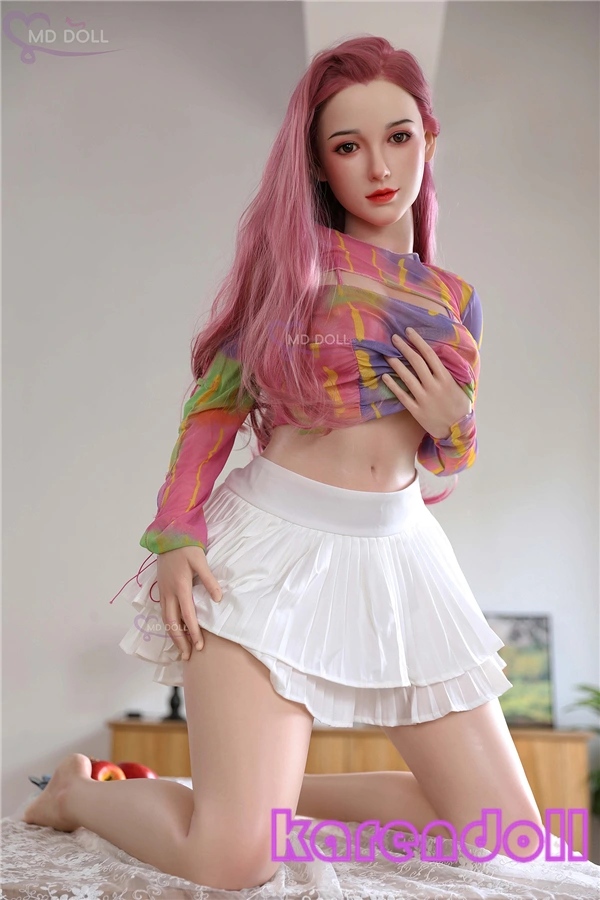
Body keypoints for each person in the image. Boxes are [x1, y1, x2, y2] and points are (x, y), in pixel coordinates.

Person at [22, 35, 544, 892]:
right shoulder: (292, 277)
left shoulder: (456, 300)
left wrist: (458, 422)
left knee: (509, 839)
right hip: (270, 552)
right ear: (319, 165)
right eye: (348, 146)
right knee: (232, 862)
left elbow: (446, 452)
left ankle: (243, 796)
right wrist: (176, 535)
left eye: (398, 136)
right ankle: (79, 796)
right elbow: (213, 410)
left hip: (404, 558)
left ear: (429, 139)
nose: (379, 166)